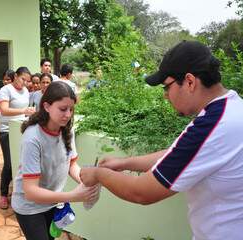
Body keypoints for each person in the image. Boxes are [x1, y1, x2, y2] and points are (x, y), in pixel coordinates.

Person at [80, 41, 243, 239]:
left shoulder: (213, 126)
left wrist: (98, 174)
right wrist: (125, 163)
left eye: (167, 87)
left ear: (190, 82)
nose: (166, 96)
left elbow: (141, 192)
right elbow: (177, 154)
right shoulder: (232, 109)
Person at [11, 81, 99, 240]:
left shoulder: (67, 129)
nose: (68, 115)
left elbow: (71, 164)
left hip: (53, 203)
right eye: (63, 109)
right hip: (29, 208)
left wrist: (86, 181)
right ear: (46, 106)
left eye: (71, 109)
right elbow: (31, 192)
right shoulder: (33, 138)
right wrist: (73, 195)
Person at [0, 66, 36, 209]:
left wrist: (29, 113)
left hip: (20, 130)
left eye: (27, 80)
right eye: (23, 79)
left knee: (20, 162)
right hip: (7, 130)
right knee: (9, 163)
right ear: (15, 77)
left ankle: (17, 191)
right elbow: (4, 110)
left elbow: (23, 112)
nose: (25, 83)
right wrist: (24, 111)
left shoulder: (25, 91)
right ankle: (3, 194)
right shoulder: (5, 90)